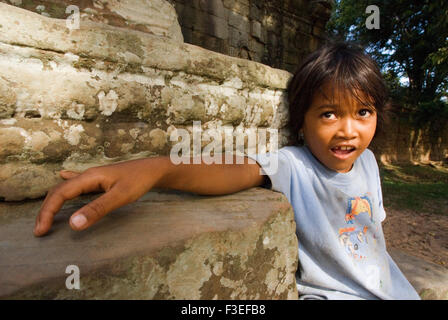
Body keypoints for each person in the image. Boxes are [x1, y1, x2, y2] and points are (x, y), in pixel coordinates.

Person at [33, 42, 420, 300]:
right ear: (301, 121)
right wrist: (156, 170)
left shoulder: (368, 162)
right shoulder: (293, 165)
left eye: (362, 112)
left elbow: (374, 235)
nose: (348, 130)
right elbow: (233, 171)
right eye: (328, 113)